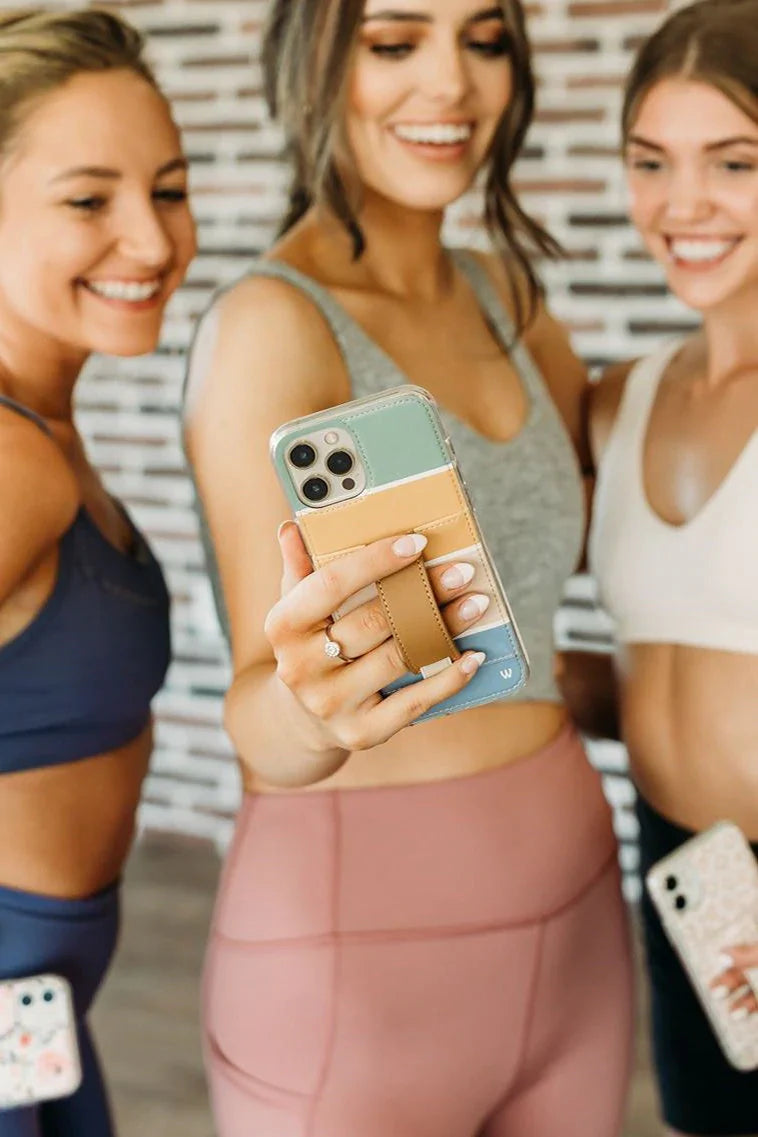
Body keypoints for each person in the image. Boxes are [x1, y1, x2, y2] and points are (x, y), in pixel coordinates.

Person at [184, 2, 633, 1135]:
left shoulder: (512, 304)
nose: (453, 84)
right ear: (315, 65)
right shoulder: (273, 328)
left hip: (578, 916)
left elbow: (517, 628)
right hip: (360, 962)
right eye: (395, 42)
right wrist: (313, 711)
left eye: (483, 39)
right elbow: (259, 711)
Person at [0, 9, 196, 1135]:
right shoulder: (14, 460)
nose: (155, 239)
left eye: (167, 189)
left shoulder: (47, 433)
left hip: (47, 1009)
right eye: (89, 200)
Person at [587, 2, 758, 1133]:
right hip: (682, 875)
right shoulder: (615, 400)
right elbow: (672, 657)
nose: (679, 205)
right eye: (650, 162)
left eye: (733, 163)